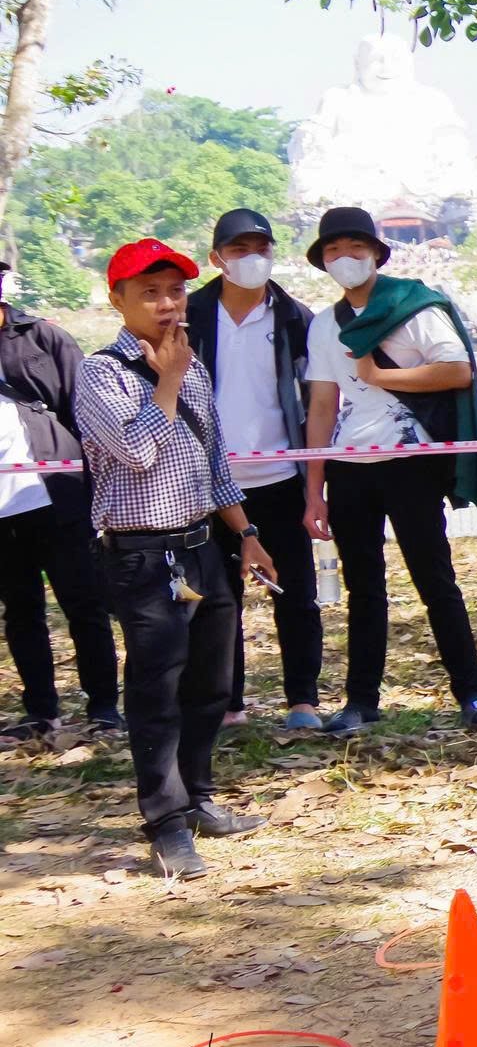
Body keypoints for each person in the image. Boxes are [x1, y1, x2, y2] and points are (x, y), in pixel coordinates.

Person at [74, 239, 279, 879]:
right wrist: (166, 378)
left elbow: (211, 459)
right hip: (140, 552)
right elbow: (136, 452)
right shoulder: (98, 373)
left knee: (211, 681)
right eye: (150, 294)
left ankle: (199, 797)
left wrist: (245, 531)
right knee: (156, 685)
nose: (167, 305)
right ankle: (164, 822)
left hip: (200, 543)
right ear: (119, 301)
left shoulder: (194, 367)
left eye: (175, 291)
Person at [299, 206, 477, 735]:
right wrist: (313, 491)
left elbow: (456, 371)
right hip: (349, 468)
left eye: (355, 247)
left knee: (435, 579)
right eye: (334, 250)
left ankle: (472, 695)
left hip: (411, 462)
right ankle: (361, 701)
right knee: (364, 585)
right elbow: (322, 406)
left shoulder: (414, 306)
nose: (345, 257)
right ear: (323, 261)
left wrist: (382, 377)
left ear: (376, 254)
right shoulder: (324, 326)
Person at [186, 209, 325, 732]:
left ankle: (303, 700)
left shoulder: (294, 317)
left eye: (260, 248)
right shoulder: (192, 315)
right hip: (209, 486)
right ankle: (228, 703)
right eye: (239, 249)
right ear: (216, 258)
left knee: (297, 594)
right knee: (220, 600)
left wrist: (315, 485)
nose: (251, 258)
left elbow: (315, 402)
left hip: (282, 479)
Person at [0, 252, 120, 739]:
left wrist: (96, 492)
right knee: (21, 610)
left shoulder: (44, 337)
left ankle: (105, 708)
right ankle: (40, 711)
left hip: (57, 496)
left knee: (84, 603)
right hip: (2, 511)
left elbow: (86, 413)